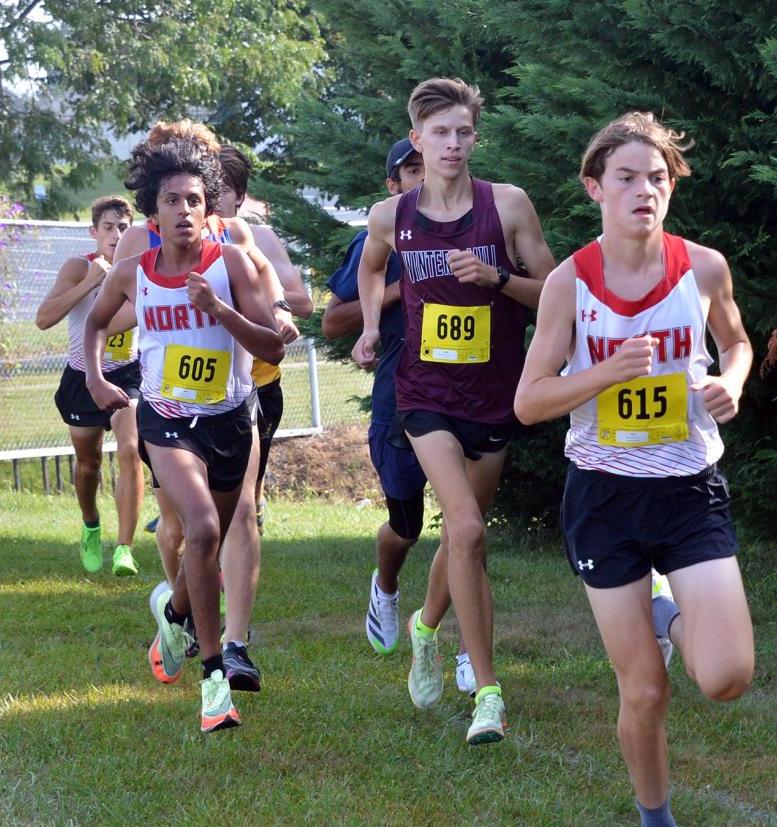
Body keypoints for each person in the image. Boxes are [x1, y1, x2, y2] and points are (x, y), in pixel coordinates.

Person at [514, 112, 755, 827]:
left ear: (672, 188)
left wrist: (731, 383)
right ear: (596, 188)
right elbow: (530, 400)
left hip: (689, 493)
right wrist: (608, 373)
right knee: (645, 687)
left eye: (658, 178)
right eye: (627, 178)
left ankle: (664, 610)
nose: (644, 190)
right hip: (605, 498)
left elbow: (739, 342)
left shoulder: (705, 268)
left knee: (725, 676)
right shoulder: (569, 282)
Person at [353, 78, 556, 744]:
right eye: (439, 133)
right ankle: (490, 694)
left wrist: (497, 279)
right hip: (425, 394)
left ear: (475, 137)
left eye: (463, 131)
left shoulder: (509, 207)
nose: (452, 143)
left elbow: (553, 295)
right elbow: (373, 264)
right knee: (467, 529)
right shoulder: (393, 216)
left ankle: (425, 627)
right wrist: (370, 327)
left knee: (462, 538)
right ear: (418, 140)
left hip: (493, 395)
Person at [84, 137, 284, 733]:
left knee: (216, 535)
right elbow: (95, 324)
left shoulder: (233, 264)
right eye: (172, 200)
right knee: (200, 529)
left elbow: (272, 345)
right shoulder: (131, 271)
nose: (184, 210)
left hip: (230, 419)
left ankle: (173, 613)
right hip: (166, 420)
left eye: (194, 199)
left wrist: (221, 311)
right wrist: (96, 379)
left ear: (209, 209)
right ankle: (215, 680)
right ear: (155, 213)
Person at [323, 139, 482, 685]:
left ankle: (468, 651)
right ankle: (386, 589)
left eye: (423, 167)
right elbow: (332, 321)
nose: (420, 176)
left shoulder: (476, 224)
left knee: (467, 530)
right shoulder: (382, 236)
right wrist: (399, 288)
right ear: (392, 185)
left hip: (466, 397)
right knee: (407, 526)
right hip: (401, 401)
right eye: (409, 170)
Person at [214, 143, 313, 686]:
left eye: (223, 191)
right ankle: (184, 601)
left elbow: (301, 299)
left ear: (239, 195)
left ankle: (233, 638)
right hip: (184, 397)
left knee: (243, 505)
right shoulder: (170, 239)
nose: (212, 201)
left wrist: (273, 307)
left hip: (256, 385)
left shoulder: (257, 238)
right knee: (194, 518)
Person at [36, 194, 143, 576]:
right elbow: (43, 319)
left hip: (127, 373)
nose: (116, 235)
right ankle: (91, 524)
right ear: (94, 231)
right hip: (82, 376)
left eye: (124, 228)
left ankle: (124, 548)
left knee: (130, 450)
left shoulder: (140, 270)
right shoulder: (77, 267)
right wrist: (92, 282)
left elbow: (120, 321)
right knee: (88, 464)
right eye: (109, 228)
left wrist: (117, 283)